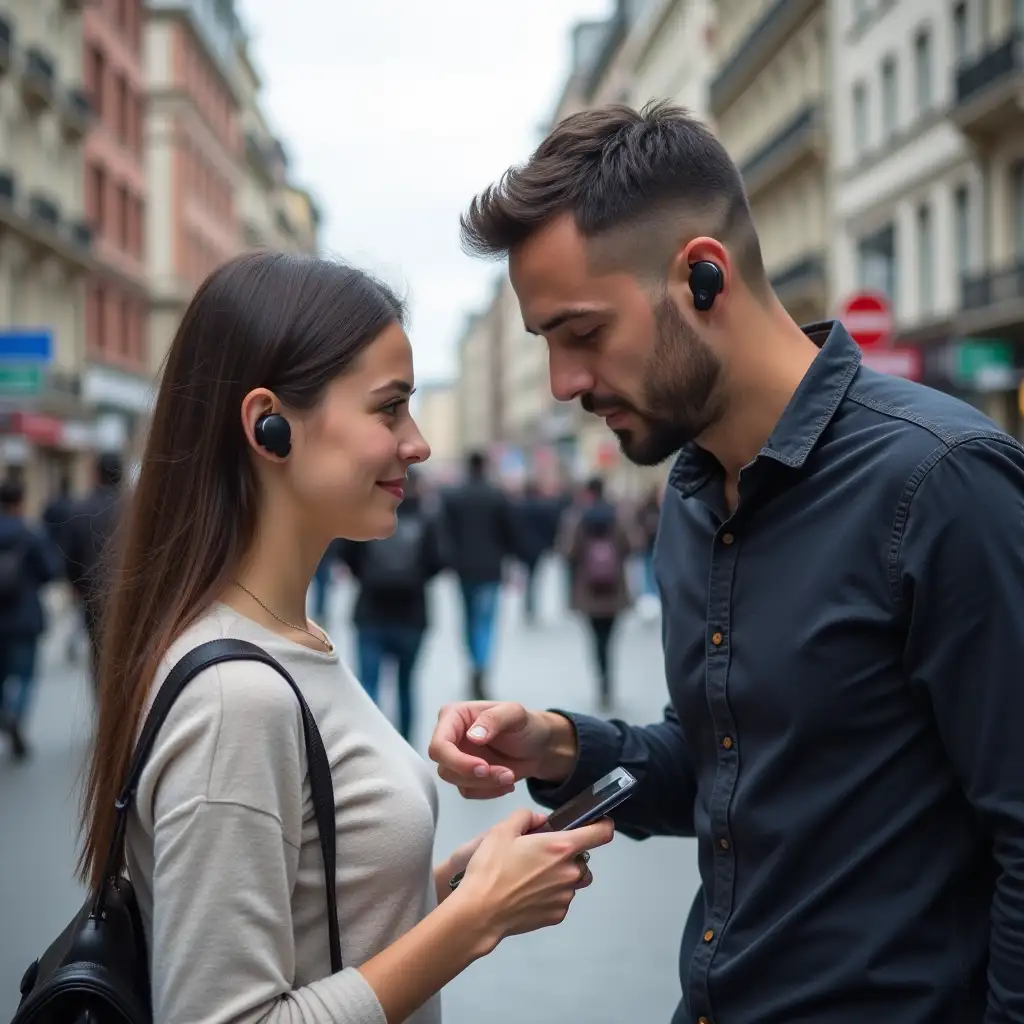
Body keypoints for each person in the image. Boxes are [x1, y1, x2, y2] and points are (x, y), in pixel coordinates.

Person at [430, 102, 1024, 1022]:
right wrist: (558, 742)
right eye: (546, 343)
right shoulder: (693, 494)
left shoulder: (942, 482)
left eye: (581, 333)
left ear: (703, 276)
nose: (564, 383)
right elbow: (724, 760)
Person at [76, 252, 612, 1024]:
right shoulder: (238, 697)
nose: (418, 442)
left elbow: (313, 930)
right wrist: (476, 919)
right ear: (270, 426)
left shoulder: (292, 638)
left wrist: (452, 887)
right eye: (388, 409)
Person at [337, 468, 443, 742]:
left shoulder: (367, 514)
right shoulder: (427, 517)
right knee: (406, 686)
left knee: (368, 684)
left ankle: (370, 746)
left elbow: (346, 554)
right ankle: (406, 746)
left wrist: (368, 576)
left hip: (370, 611)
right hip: (413, 613)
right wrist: (415, 577)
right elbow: (440, 560)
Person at [438, 451, 519, 700]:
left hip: (463, 569)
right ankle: (481, 666)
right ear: (484, 466)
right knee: (486, 620)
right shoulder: (497, 495)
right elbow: (510, 532)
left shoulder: (453, 496)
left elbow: (444, 532)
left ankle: (474, 662)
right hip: (491, 569)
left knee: (468, 618)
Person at [557, 476, 632, 711]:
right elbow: (632, 544)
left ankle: (601, 679)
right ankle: (608, 680)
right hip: (614, 590)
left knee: (595, 638)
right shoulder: (618, 514)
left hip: (588, 591)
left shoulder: (576, 516)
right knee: (609, 637)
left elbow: (567, 551)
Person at [0, 478, 62, 759]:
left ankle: (4, 713)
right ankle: (16, 716)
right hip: (24, 617)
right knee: (25, 676)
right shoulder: (31, 534)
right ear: (21, 501)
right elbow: (51, 570)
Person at [64, 451, 124, 680]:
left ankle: (105, 706)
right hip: (129, 592)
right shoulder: (136, 506)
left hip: (93, 594)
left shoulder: (81, 509)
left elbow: (71, 555)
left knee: (99, 651)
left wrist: (75, 586)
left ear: (96, 474)